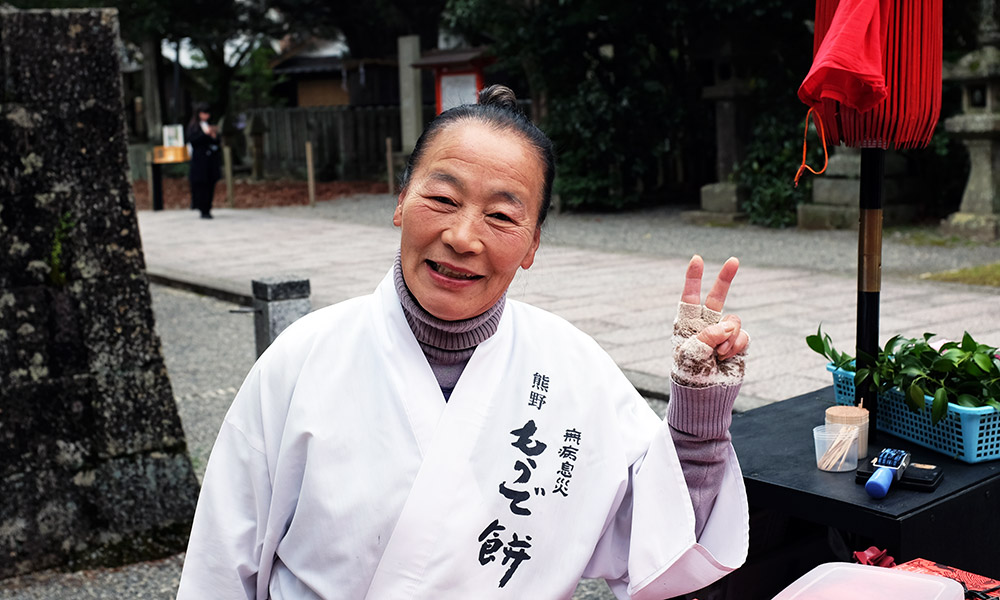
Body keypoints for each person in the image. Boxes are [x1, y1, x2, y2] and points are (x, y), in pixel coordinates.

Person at [176, 85, 750, 599]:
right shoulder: (302, 361)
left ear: (532, 246)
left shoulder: (576, 371)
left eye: (501, 215)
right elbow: (220, 567)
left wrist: (700, 409)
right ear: (401, 202)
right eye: (443, 200)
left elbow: (665, 548)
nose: (461, 237)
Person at [187, 102, 221, 219]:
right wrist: (205, 135)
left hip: (211, 160)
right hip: (199, 161)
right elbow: (193, 140)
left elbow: (216, 141)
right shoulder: (194, 127)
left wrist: (213, 136)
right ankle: (202, 208)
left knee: (210, 184)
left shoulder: (209, 125)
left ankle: (208, 207)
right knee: (201, 185)